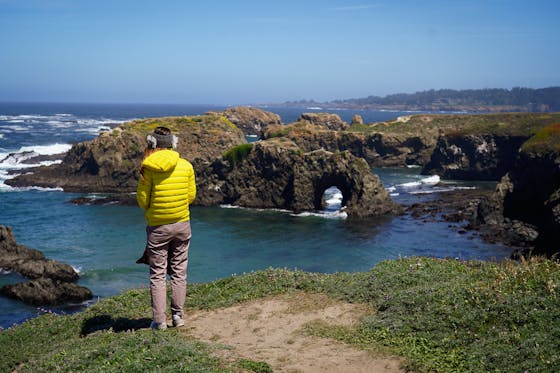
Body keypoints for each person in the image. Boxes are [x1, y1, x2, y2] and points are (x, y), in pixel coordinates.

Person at [136, 126, 196, 330]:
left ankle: (159, 321)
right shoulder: (186, 166)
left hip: (158, 227)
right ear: (173, 143)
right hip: (182, 224)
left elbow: (143, 201)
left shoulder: (147, 168)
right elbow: (190, 197)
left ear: (152, 143)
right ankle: (178, 316)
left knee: (158, 274)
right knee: (179, 271)